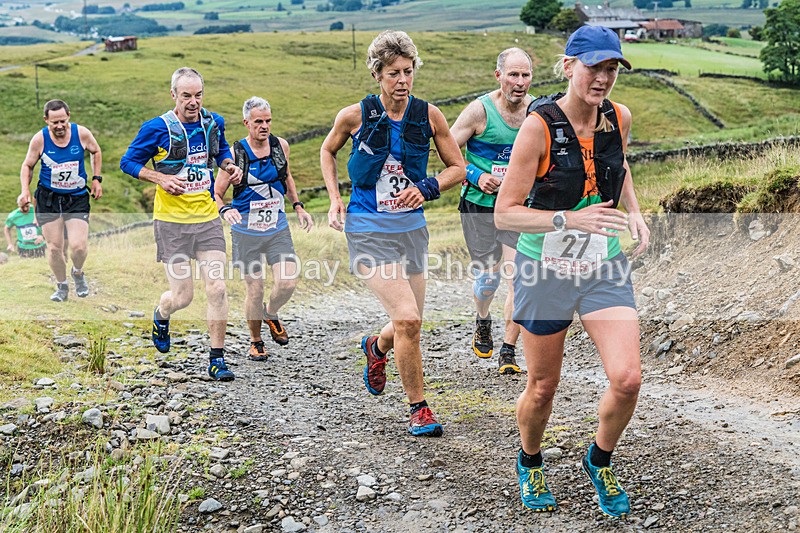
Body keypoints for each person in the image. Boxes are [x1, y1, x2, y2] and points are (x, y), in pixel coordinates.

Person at [495, 26, 650, 516]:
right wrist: (568, 218)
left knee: (627, 378)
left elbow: (618, 167)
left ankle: (599, 460)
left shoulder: (617, 118)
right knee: (542, 387)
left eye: (611, 69)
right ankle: (530, 459)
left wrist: (636, 212)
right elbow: (506, 213)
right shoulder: (537, 128)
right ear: (568, 67)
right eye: (593, 67)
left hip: (601, 264)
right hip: (544, 267)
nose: (602, 78)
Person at [321, 30, 465, 437]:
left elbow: (458, 167)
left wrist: (426, 187)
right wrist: (335, 200)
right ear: (377, 75)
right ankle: (419, 409)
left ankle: (376, 347)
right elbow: (327, 151)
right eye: (393, 73)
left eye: (408, 71)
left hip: (411, 231)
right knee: (407, 317)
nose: (402, 80)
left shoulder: (429, 115)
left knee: (409, 323)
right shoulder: (355, 116)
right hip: (367, 229)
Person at [120, 67, 243, 382]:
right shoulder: (156, 128)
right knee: (183, 297)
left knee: (216, 287)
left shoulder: (212, 122)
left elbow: (220, 151)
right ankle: (162, 313)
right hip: (171, 222)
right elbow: (128, 162)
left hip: (205, 218)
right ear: (173, 94)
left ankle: (217, 359)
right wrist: (161, 177)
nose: (193, 102)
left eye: (198, 95)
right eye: (186, 95)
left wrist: (229, 164)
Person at [449, 47, 533, 375]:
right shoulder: (478, 111)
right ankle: (483, 318)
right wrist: (476, 174)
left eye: (525, 75)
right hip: (478, 207)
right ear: (498, 76)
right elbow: (447, 151)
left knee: (519, 279)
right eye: (513, 74)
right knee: (488, 281)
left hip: (517, 208)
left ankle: (509, 351)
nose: (520, 82)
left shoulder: (537, 112)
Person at [215, 96, 314, 361]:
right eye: (258, 121)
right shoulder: (235, 154)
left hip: (277, 227)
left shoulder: (280, 146)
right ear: (246, 123)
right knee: (255, 289)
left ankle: (271, 312)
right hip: (246, 231)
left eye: (268, 120)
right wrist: (225, 209)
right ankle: (256, 340)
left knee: (288, 282)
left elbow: (287, 176)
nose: (264, 126)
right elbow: (216, 193)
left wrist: (298, 205)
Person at [18, 99, 103, 301]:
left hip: (76, 197)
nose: (59, 126)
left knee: (79, 246)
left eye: (62, 121)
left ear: (68, 117)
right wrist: (25, 191)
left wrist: (96, 179)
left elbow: (96, 151)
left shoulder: (81, 133)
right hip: (49, 198)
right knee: (55, 248)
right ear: (46, 120)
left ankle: (78, 272)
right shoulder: (39, 139)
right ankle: (62, 286)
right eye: (54, 122)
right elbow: (27, 165)